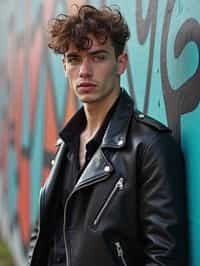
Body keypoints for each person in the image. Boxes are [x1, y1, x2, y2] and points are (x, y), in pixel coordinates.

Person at [28, 4, 187, 266]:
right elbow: (45, 233)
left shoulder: (149, 146)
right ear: (65, 65)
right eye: (75, 59)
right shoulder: (66, 143)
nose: (85, 71)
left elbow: (164, 257)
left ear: (120, 62)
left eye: (98, 57)